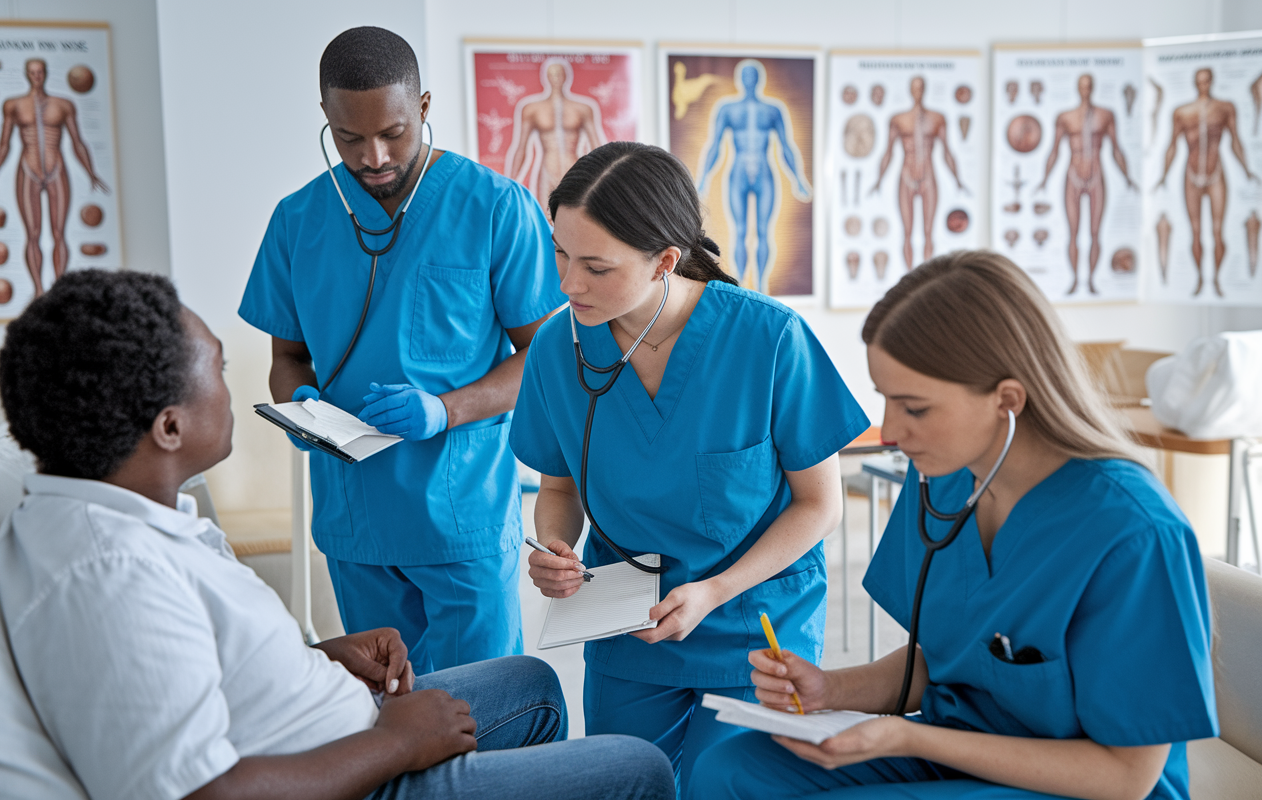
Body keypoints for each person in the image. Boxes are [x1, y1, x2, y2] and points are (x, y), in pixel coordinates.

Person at [0, 269, 675, 800]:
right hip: (359, 778)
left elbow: (185, 667)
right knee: (639, 768)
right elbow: (196, 791)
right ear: (168, 428)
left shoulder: (109, 515)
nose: (233, 391)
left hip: (337, 730)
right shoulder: (110, 574)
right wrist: (397, 746)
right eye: (219, 373)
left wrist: (321, 659)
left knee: (528, 682)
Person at [691, 251, 1218, 800]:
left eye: (914, 408)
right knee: (726, 770)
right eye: (886, 401)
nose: (890, 430)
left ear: (1006, 401)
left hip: (1077, 783)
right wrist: (829, 689)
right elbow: (948, 660)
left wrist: (906, 738)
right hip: (960, 742)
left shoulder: (1132, 532)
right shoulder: (944, 480)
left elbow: (1127, 777)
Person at [510, 141, 869, 797]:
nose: (568, 283)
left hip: (751, 626)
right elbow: (559, 487)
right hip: (630, 628)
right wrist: (553, 545)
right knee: (625, 781)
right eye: (559, 254)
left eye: (595, 266)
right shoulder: (558, 351)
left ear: (664, 262)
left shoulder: (767, 340)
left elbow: (820, 505)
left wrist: (715, 590)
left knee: (725, 784)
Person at [239, 27, 564, 673]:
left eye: (392, 132)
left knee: (485, 709)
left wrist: (445, 409)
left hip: (459, 511)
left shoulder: (496, 208)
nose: (374, 155)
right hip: (354, 517)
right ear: (327, 121)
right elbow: (288, 358)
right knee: (392, 706)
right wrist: (297, 404)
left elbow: (545, 360)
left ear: (423, 107)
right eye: (350, 138)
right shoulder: (296, 220)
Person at [0, 57, 110, 296]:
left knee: (59, 233)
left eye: (40, 71)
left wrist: (91, 172)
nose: (37, 76)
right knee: (32, 234)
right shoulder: (14, 105)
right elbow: (3, 143)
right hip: (27, 169)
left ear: (46, 73)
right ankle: (39, 290)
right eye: (32, 72)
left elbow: (77, 142)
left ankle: (58, 289)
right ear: (26, 74)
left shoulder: (63, 105)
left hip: (57, 168)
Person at [696, 60, 812, 291]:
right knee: (739, 230)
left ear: (760, 80)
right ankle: (740, 285)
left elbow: (786, 146)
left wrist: (798, 178)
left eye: (753, 76)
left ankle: (760, 286)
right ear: (740, 80)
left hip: (764, 171)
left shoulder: (772, 109)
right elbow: (714, 145)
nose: (749, 81)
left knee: (763, 231)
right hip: (737, 170)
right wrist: (702, 179)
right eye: (745, 76)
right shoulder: (727, 108)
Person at [1155, 67, 1258, 297]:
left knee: (1217, 230)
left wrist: (1247, 170)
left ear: (1211, 82)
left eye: (1207, 81)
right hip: (1190, 173)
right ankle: (1200, 278)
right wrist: (1163, 174)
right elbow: (1171, 145)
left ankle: (1217, 279)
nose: (1203, 85)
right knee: (1195, 230)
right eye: (1199, 81)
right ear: (1195, 83)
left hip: (1216, 172)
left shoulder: (1224, 108)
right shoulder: (1182, 112)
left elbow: (1235, 140)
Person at [1036, 73, 1136, 296]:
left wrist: (1127, 176)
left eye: (1089, 86)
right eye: (1082, 86)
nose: (1086, 90)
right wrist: (1044, 178)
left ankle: (1090, 280)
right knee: (1073, 232)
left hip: (1096, 175)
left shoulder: (1105, 115)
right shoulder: (1066, 117)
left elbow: (1116, 149)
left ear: (1093, 88)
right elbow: (1054, 150)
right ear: (1077, 88)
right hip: (1073, 175)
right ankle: (1074, 279)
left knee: (1094, 233)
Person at [869, 76, 965, 270]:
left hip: (928, 175)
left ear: (925, 89)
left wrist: (957, 179)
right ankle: (909, 277)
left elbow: (947, 151)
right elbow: (888, 151)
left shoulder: (937, 119)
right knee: (907, 232)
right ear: (910, 90)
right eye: (914, 88)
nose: (917, 91)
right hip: (906, 176)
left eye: (921, 87)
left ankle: (926, 280)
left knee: (929, 232)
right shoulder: (898, 119)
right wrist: (879, 179)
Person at [505, 58, 604, 216]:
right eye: (552, 74)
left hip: (575, 168)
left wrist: (604, 181)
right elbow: (521, 147)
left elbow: (597, 147)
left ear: (567, 76)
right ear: (546, 77)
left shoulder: (583, 108)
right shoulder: (532, 109)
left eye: (560, 74)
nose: (556, 78)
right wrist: (509, 185)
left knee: (579, 217)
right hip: (547, 169)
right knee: (546, 219)